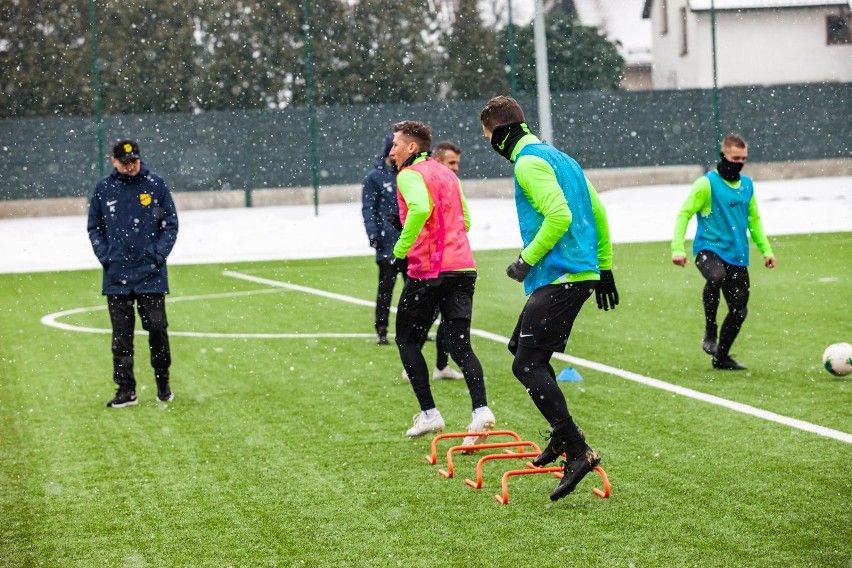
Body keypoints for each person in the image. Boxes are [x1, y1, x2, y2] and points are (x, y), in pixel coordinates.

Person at [480, 96, 618, 501]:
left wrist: (526, 259)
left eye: (487, 136)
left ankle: (577, 450)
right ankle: (563, 436)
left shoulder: (527, 163)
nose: (489, 143)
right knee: (518, 350)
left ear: (499, 133)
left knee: (527, 364)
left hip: (563, 275)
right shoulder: (562, 158)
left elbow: (561, 215)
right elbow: (599, 211)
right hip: (577, 272)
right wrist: (604, 266)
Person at [388, 120, 495, 447]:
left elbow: (420, 208)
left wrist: (400, 251)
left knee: (406, 339)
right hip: (463, 267)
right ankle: (481, 410)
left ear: (410, 148)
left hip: (429, 269)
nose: (391, 150)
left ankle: (430, 413)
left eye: (395, 144)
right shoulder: (448, 174)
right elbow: (466, 220)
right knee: (460, 344)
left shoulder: (408, 175)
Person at [87, 139, 179, 407]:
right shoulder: (103, 189)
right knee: (121, 337)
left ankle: (163, 383)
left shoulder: (155, 185)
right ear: (114, 162)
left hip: (151, 275)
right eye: (126, 163)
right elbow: (94, 228)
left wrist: (157, 254)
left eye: (135, 161)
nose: (131, 167)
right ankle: (126, 389)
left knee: (158, 331)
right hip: (117, 277)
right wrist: (107, 258)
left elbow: (170, 223)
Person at [671, 134, 775, 370]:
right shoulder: (706, 184)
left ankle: (721, 357)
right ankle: (710, 330)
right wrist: (677, 248)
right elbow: (684, 214)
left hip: (737, 255)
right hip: (709, 250)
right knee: (716, 276)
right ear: (723, 156)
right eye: (735, 157)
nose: (739, 162)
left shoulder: (747, 185)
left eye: (743, 158)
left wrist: (765, 250)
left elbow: (754, 220)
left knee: (739, 309)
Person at [361, 134, 406, 346]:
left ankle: (415, 329)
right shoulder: (374, 178)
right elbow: (368, 209)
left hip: (409, 243)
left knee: (414, 291)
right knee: (386, 290)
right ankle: (382, 329)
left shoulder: (408, 174)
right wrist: (373, 235)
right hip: (387, 244)